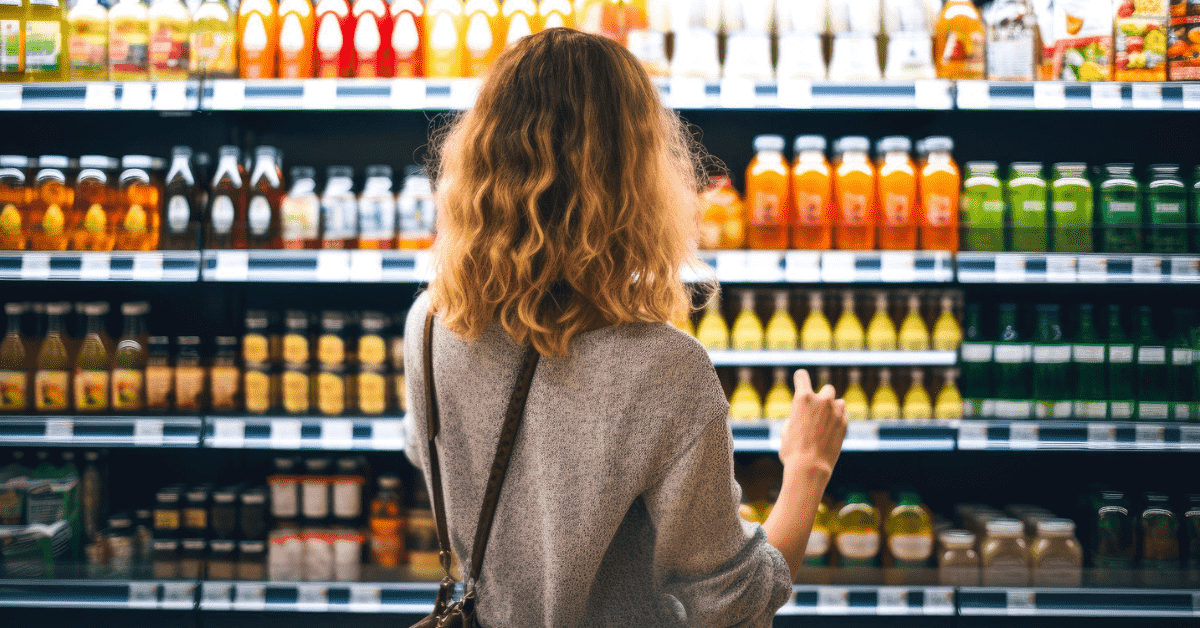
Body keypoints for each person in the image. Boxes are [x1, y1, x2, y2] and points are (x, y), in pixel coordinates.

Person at [404, 28, 847, 628]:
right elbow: (734, 602)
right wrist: (808, 468)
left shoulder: (430, 321)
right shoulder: (663, 366)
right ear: (635, 177)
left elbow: (433, 456)